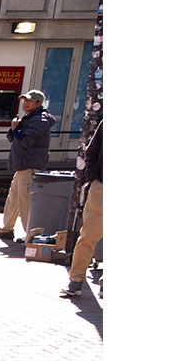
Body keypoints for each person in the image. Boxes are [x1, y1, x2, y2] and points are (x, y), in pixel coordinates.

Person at [0, 89, 55, 244]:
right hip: (22, 167)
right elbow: (12, 137)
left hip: (29, 167)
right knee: (13, 201)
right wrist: (14, 129)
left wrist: (16, 129)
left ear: (39, 103)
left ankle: (30, 237)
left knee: (26, 204)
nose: (25, 103)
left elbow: (26, 141)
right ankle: (7, 230)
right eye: (24, 100)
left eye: (29, 101)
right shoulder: (29, 117)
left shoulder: (40, 120)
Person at [65, 119, 102, 298]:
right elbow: (91, 153)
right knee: (88, 235)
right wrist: (94, 179)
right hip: (102, 188)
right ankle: (76, 279)